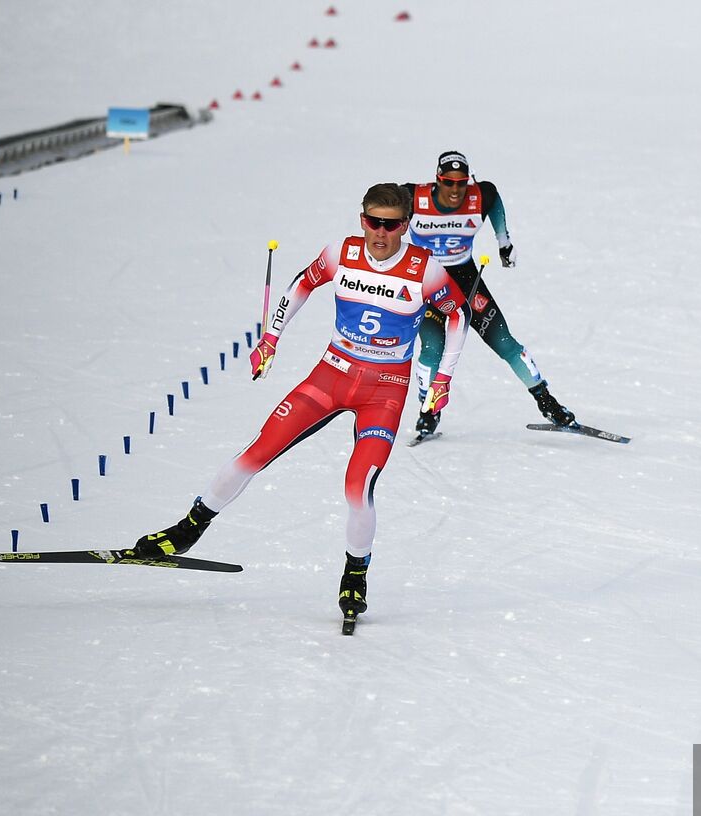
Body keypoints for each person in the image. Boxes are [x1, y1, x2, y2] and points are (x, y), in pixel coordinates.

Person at [126, 183, 469, 624]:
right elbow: (301, 284)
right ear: (361, 219)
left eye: (391, 224)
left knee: (356, 488)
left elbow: (458, 315)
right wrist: (270, 338)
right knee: (256, 452)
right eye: (372, 222)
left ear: (406, 225)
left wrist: (443, 377)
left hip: (384, 390)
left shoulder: (425, 269)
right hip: (330, 376)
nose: (380, 233)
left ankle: (355, 575)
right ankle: (187, 529)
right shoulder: (340, 252)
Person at [405, 150, 574, 438]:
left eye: (462, 183)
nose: (456, 190)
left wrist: (504, 242)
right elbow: (382, 215)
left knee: (505, 342)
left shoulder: (481, 195)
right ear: (437, 180)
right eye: (448, 182)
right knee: (433, 349)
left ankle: (547, 402)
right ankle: (428, 411)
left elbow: (494, 200)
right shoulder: (412, 198)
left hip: (466, 278)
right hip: (428, 284)